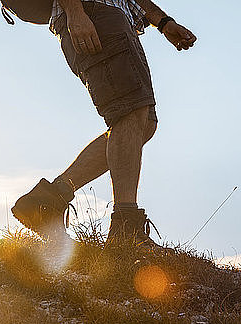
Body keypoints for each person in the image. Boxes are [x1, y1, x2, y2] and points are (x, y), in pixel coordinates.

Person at [10, 0, 196, 248]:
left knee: (143, 123)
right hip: (94, 14)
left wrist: (163, 23)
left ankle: (50, 200)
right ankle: (125, 228)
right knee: (131, 113)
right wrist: (76, 12)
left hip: (112, 19)